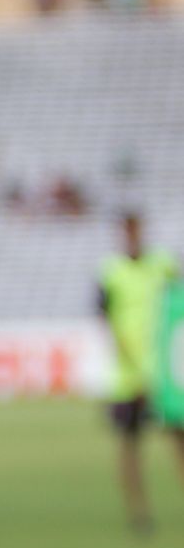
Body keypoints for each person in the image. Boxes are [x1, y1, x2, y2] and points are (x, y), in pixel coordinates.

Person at [97, 215, 178, 531]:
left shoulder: (164, 265)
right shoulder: (111, 272)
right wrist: (131, 363)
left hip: (166, 373)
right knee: (131, 445)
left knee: (178, 440)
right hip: (129, 376)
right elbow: (106, 320)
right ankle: (138, 512)